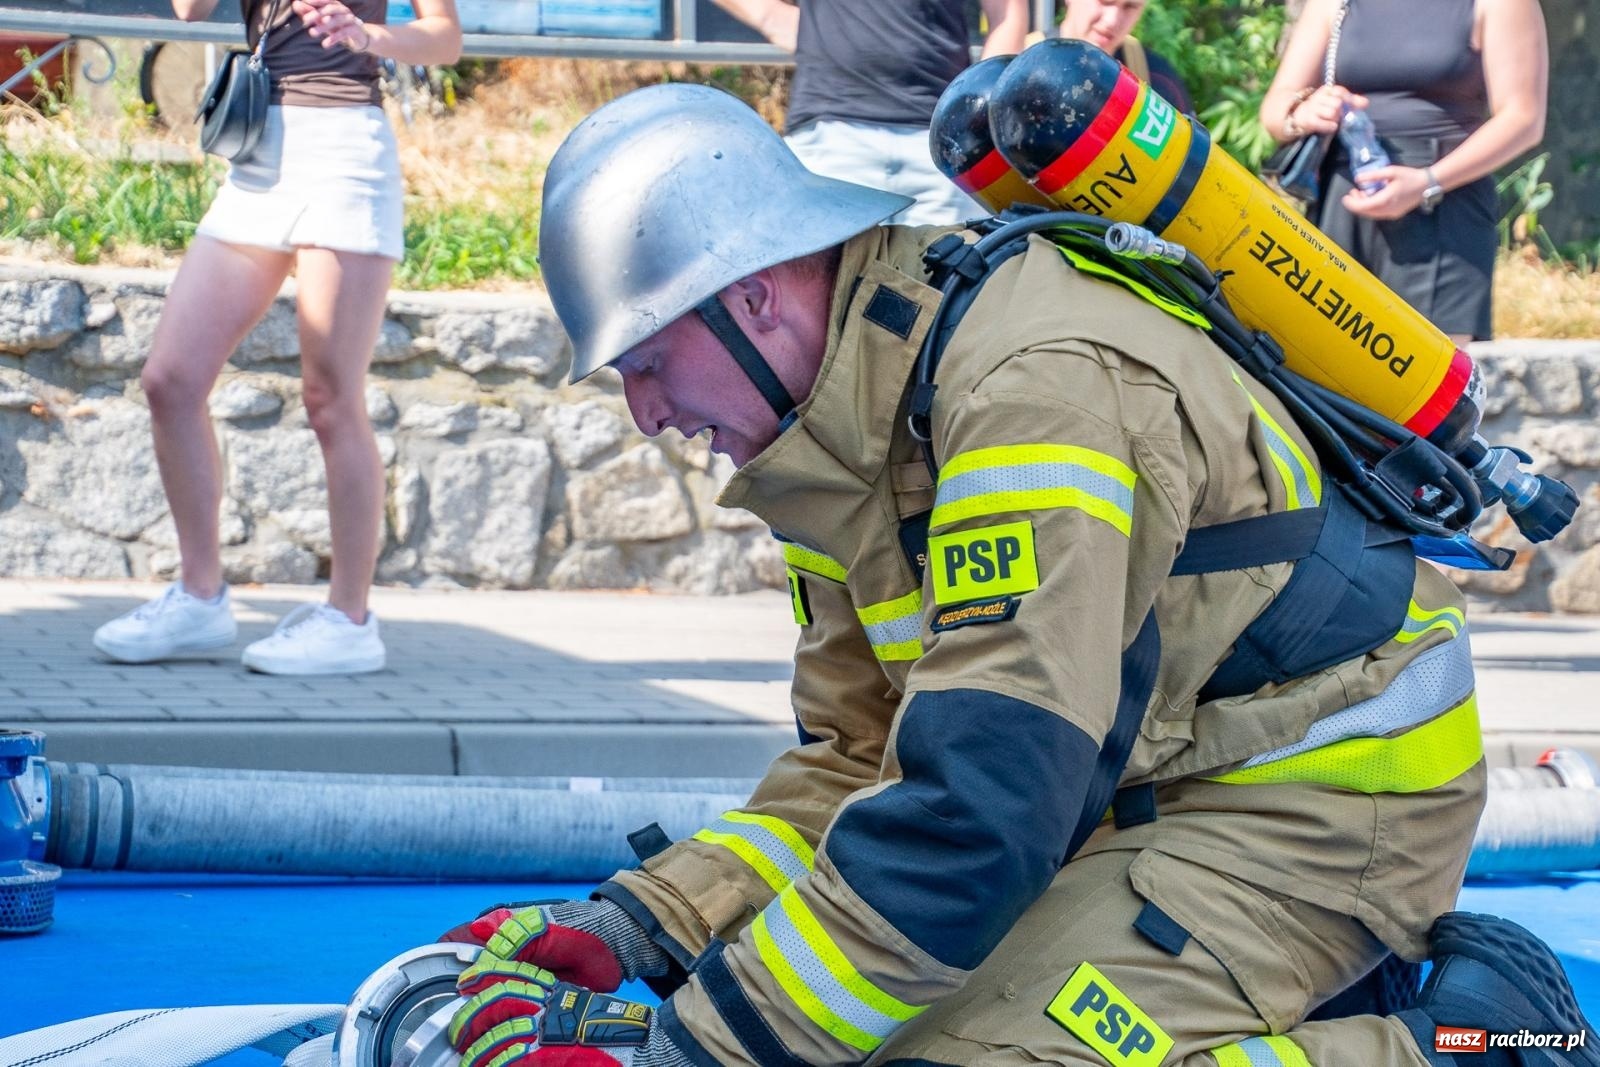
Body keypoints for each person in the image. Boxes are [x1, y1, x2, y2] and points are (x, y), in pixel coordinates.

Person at [434, 85, 1597, 1067]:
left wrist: (691, 1045)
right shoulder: (837, 431)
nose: (644, 415)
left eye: (646, 360)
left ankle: (1460, 1039)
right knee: (857, 1007)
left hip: (1316, 799)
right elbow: (858, 757)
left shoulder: (1033, 391)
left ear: (754, 292)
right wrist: (647, 922)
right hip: (1131, 779)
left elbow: (977, 810)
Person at [92, 0, 462, 674]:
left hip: (347, 148)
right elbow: (186, 11)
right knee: (169, 380)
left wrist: (370, 35)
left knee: (330, 396)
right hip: (260, 150)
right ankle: (200, 597)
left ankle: (350, 620)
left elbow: (445, 38)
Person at [1259, 0, 1547, 345]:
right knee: (1321, 369)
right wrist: (1303, 113)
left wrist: (1428, 182)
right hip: (1342, 199)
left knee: (1425, 377)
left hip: (1444, 207)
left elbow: (1523, 118)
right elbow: (1276, 106)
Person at [709, 0, 1029, 225]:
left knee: (946, 297)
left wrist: (974, 110)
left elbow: (1008, 13)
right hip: (831, 134)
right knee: (824, 298)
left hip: (939, 145)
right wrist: (773, 18)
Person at [1058, 0, 1194, 115]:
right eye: (1105, 1)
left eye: (1130, 6)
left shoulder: (1158, 79)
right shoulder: (1035, 64)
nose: (1112, 20)